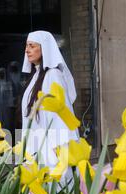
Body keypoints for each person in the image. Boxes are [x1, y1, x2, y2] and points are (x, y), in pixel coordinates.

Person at [21, 30, 79, 173]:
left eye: (32, 46)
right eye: (27, 46)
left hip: (51, 149)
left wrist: (59, 153)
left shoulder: (53, 75)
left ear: (44, 48)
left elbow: (60, 114)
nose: (27, 50)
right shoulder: (36, 76)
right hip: (38, 146)